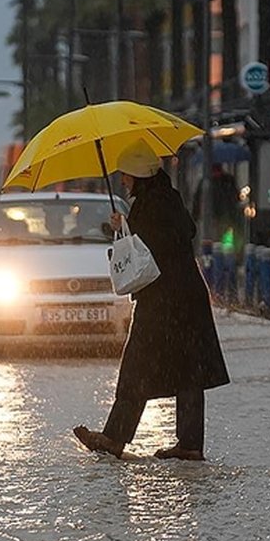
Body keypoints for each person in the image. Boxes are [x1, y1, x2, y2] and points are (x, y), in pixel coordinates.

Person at [73, 140, 230, 461]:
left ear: (138, 174)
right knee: (189, 370)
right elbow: (180, 233)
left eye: (126, 174)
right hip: (183, 298)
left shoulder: (152, 204)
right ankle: (189, 445)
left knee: (137, 366)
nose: (123, 180)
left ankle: (115, 438)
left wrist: (127, 226)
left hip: (164, 300)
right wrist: (127, 225)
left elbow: (153, 247)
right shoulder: (167, 197)